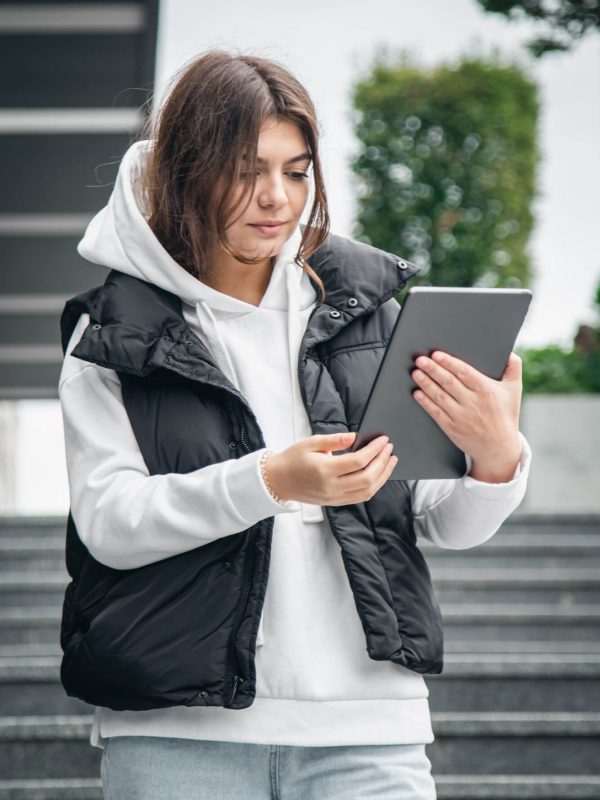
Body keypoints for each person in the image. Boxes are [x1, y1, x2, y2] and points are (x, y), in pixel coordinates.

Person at [58, 49, 532, 800]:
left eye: (297, 170)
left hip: (368, 729)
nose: (276, 197)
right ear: (184, 171)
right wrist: (270, 479)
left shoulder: (368, 315)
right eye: (246, 170)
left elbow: (439, 523)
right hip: (179, 732)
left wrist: (496, 459)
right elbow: (110, 522)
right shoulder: (114, 334)